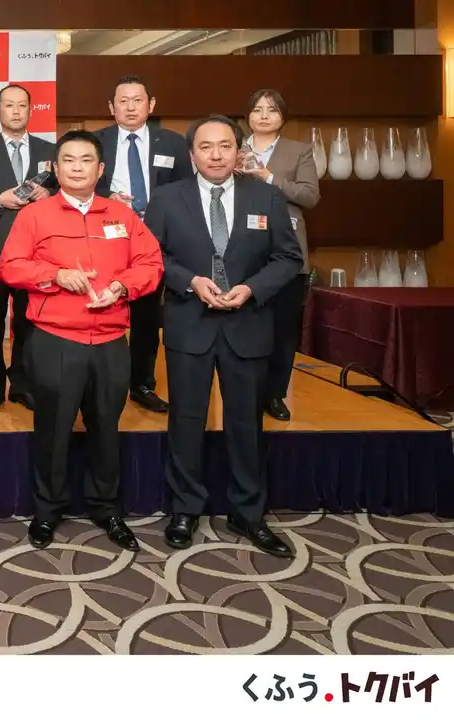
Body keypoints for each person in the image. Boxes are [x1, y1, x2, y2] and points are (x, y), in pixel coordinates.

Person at [143, 115, 302, 558]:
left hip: (247, 325)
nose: (216, 155)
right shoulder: (167, 198)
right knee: (186, 421)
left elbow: (288, 258)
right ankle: (185, 509)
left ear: (239, 150)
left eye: (225, 146)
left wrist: (251, 289)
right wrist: (189, 281)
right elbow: (152, 256)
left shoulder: (266, 196)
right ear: (192, 153)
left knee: (246, 424)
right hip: (189, 323)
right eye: (206, 147)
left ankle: (248, 513)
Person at [0, 130, 163, 551]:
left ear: (100, 169)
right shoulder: (34, 216)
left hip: (110, 340)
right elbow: (11, 266)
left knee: (106, 428)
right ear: (55, 169)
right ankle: (47, 510)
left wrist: (123, 287)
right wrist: (55, 275)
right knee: (52, 430)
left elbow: (151, 263)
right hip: (55, 340)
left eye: (86, 160)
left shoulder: (122, 216)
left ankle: (106, 508)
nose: (76, 167)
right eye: (68, 160)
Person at [95, 76, 192, 415]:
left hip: (156, 238)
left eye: (138, 100)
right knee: (104, 308)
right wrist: (108, 198)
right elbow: (77, 182)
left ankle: (142, 384)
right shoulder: (96, 142)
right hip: (107, 236)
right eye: (123, 101)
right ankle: (102, 383)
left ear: (151, 105)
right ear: (111, 107)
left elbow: (186, 190)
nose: (131, 107)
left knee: (147, 316)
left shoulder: (174, 143)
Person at [0, 83, 56, 412]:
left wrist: (50, 195)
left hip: (37, 253)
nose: (16, 111)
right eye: (9, 105)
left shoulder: (51, 151)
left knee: (27, 323)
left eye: (22, 105)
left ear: (31, 110)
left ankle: (22, 384)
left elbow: (68, 192)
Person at [237, 89, 321, 422]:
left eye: (271, 110)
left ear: (283, 117)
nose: (263, 116)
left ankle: (275, 394)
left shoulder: (298, 151)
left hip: (286, 248)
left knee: (284, 329)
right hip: (242, 248)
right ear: (248, 115)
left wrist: (269, 177)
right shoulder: (232, 147)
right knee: (245, 326)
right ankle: (246, 391)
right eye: (257, 109)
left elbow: (310, 196)